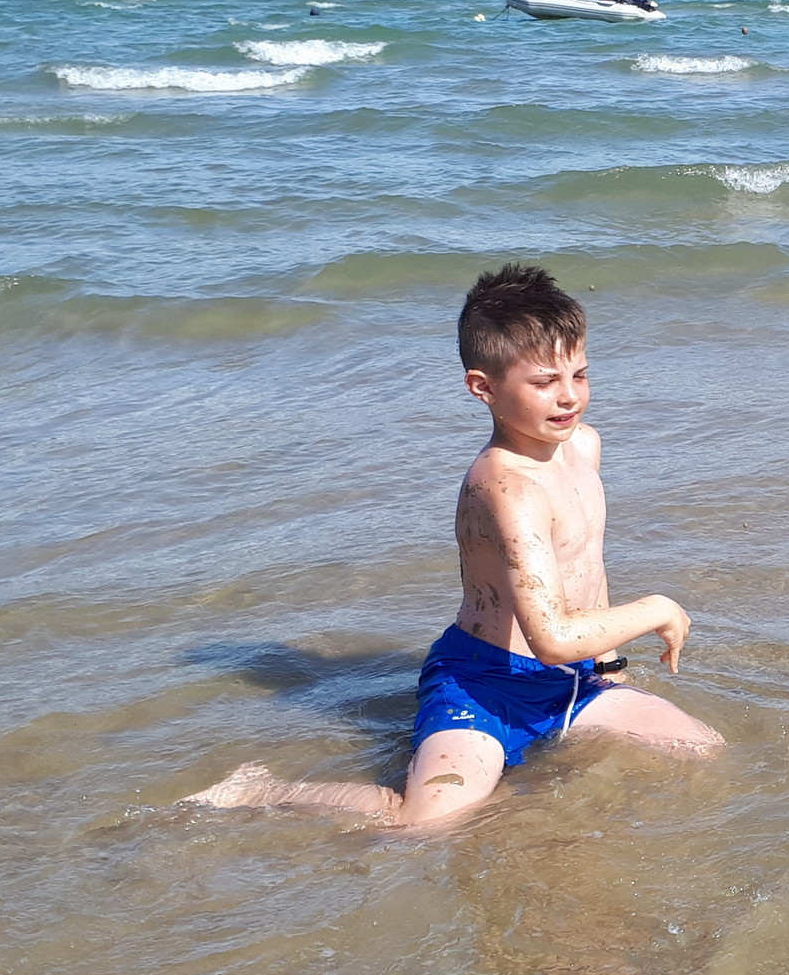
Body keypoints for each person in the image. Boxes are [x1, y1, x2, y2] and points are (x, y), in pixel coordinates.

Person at [186, 264, 722, 830]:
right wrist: (657, 608)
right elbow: (551, 639)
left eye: (580, 375)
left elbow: (586, 561)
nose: (569, 397)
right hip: (484, 684)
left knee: (704, 750)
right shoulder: (507, 489)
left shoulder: (582, 447)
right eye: (544, 382)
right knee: (427, 822)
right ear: (482, 387)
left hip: (571, 679)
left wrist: (608, 665)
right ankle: (263, 789)